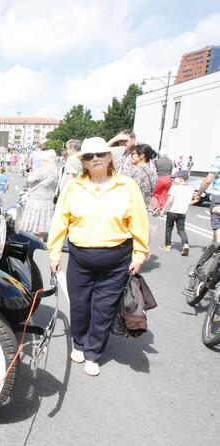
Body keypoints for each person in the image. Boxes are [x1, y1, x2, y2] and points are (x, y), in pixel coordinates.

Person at [48, 137, 149, 377]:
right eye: (89, 156)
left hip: (116, 258)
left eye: (100, 155)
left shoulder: (127, 186)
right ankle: (80, 342)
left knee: (103, 308)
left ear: (109, 157)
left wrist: (139, 254)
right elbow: (60, 220)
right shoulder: (73, 186)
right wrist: (54, 252)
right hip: (80, 257)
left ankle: (93, 352)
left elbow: (140, 221)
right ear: (83, 161)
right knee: (80, 305)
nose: (95, 159)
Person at [20, 149, 59, 239]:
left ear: (46, 159)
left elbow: (31, 179)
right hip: (49, 197)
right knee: (44, 217)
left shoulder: (42, 170)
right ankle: (42, 236)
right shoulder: (56, 170)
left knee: (34, 216)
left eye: (42, 159)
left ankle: (30, 236)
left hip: (37, 197)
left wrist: (30, 174)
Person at [160, 171, 193, 255]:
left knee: (169, 228)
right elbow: (190, 201)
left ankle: (167, 245)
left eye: (175, 178)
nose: (174, 179)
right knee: (181, 229)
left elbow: (170, 199)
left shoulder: (175, 187)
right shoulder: (190, 188)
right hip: (182, 213)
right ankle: (185, 244)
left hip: (172, 211)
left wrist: (163, 209)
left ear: (181, 179)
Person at [118, 143, 158, 211]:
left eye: (133, 154)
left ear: (142, 156)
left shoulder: (131, 172)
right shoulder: (153, 173)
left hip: (129, 209)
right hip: (144, 210)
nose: (131, 156)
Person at [192, 154, 220, 243]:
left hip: (218, 197)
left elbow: (207, 180)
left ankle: (217, 248)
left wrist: (198, 194)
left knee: (217, 225)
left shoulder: (218, 160)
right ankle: (214, 246)